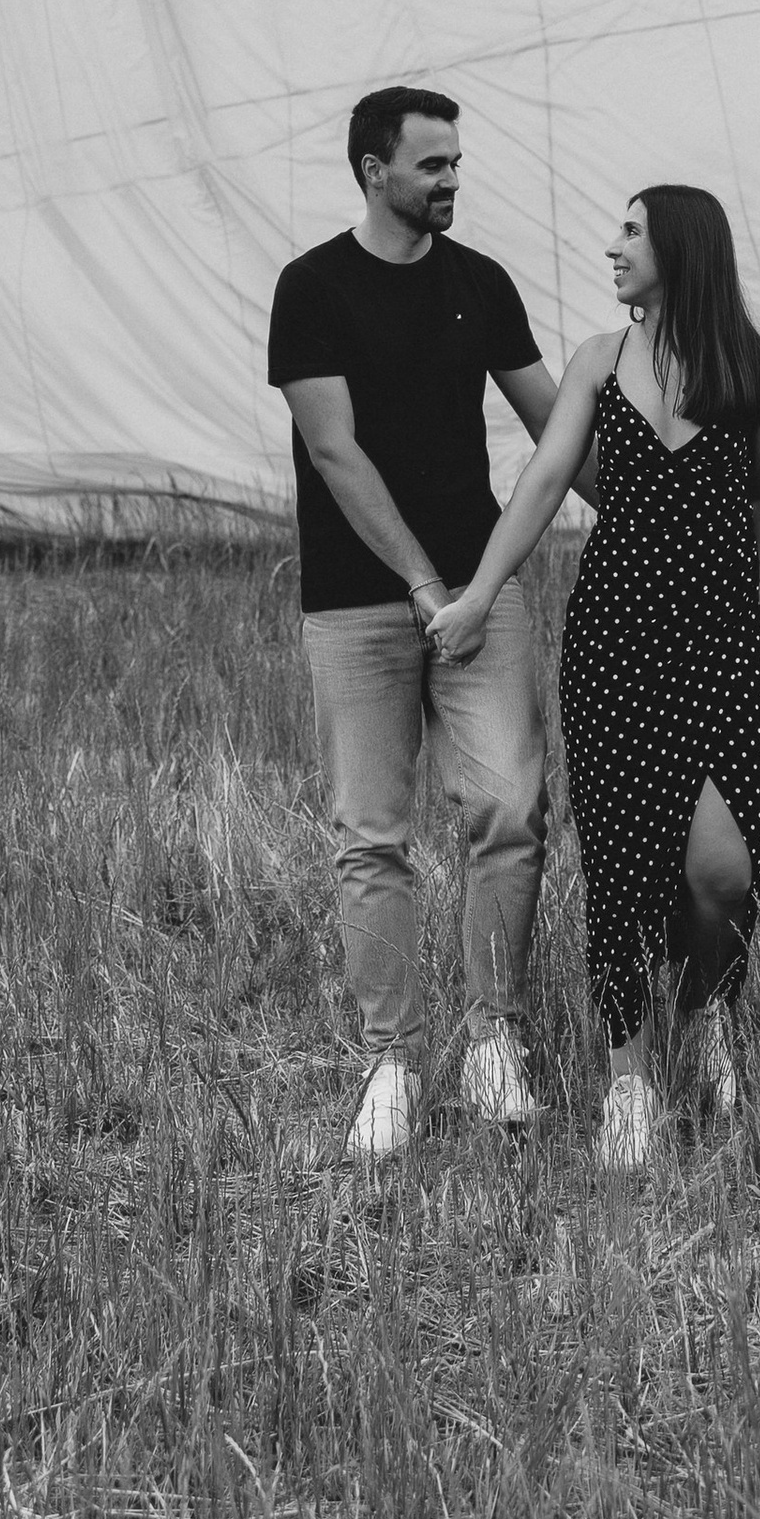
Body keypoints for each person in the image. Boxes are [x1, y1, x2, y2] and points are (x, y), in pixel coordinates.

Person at [430, 182, 760, 1169]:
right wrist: (474, 597)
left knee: (723, 868)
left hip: (719, 647)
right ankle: (630, 1081)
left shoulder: (755, 373)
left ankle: (706, 1012)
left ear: (681, 247)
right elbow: (543, 484)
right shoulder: (599, 361)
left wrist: (754, 620)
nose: (612, 246)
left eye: (631, 231)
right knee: (625, 866)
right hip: (616, 644)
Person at [269, 86, 587, 1164]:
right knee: (373, 834)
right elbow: (334, 452)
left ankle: (493, 1034)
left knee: (509, 809)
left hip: (480, 592)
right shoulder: (311, 290)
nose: (452, 179)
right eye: (431, 165)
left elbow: (555, 433)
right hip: (362, 604)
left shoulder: (480, 285)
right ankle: (392, 1063)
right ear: (373, 170)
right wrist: (419, 585)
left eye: (457, 162)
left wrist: (661, 498)